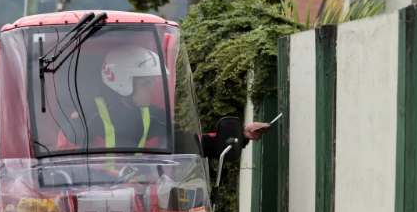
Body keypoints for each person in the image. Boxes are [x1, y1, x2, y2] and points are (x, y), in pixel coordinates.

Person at [54, 45, 269, 156]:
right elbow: (61, 167)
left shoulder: (153, 115)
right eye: (145, 83)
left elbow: (192, 145)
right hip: (90, 207)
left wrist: (241, 134)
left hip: (140, 204)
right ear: (122, 82)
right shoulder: (86, 115)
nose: (152, 88)